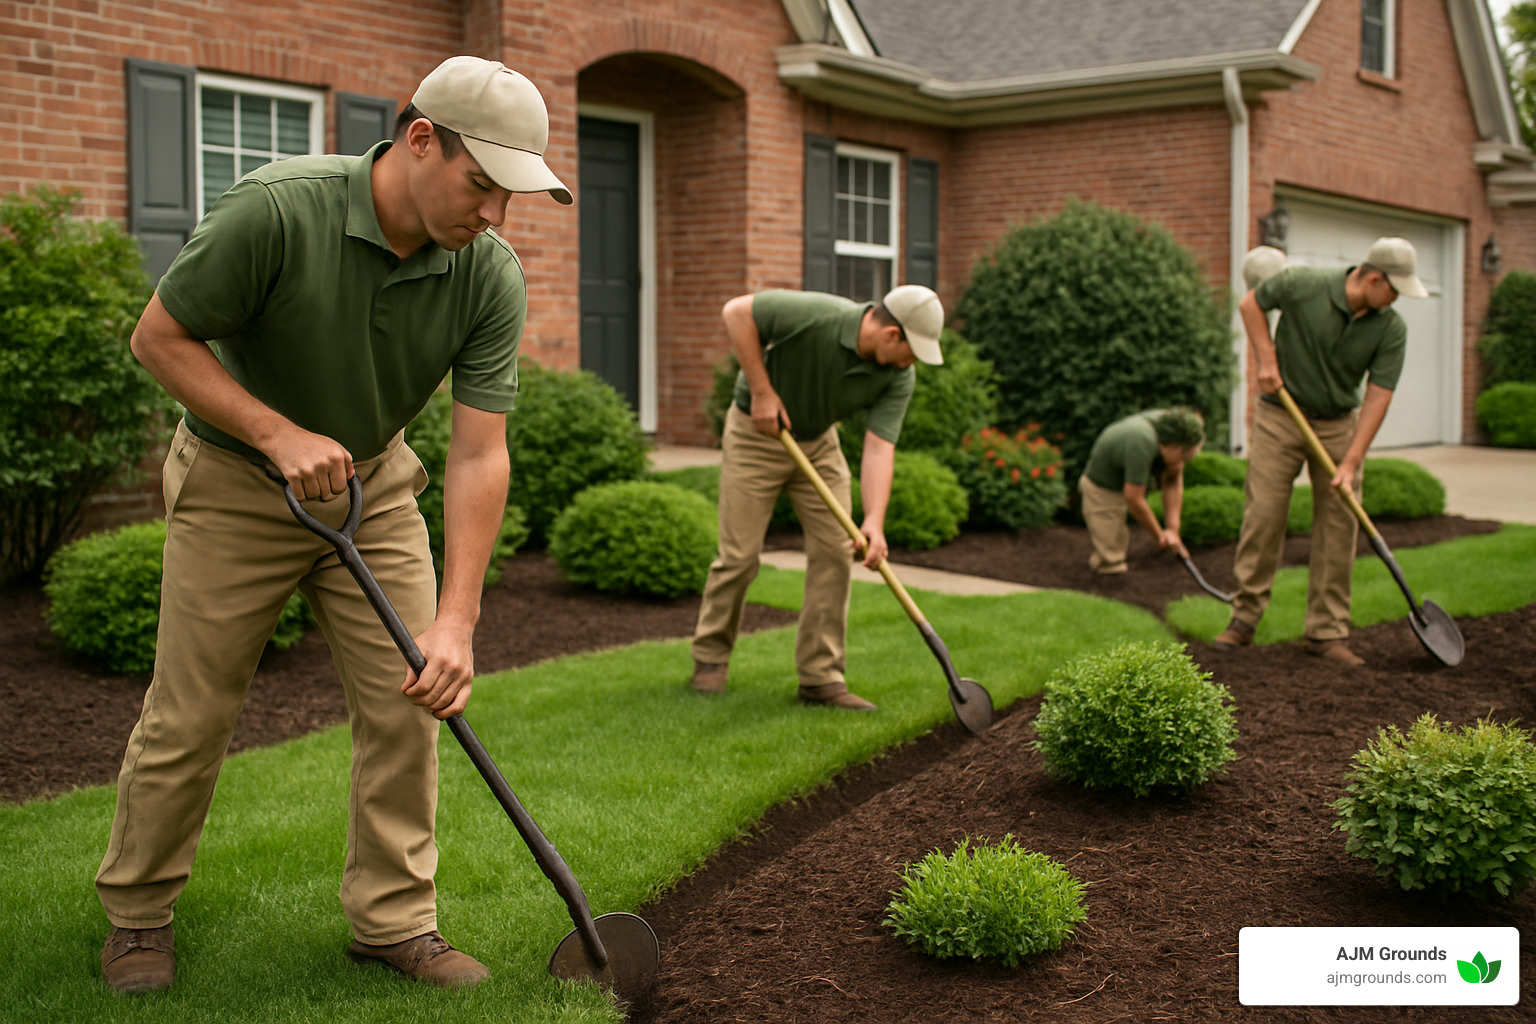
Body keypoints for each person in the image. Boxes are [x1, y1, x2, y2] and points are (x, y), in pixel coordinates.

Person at [95, 56, 572, 994]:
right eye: (482, 185)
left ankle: (394, 923)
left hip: (376, 486)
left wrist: (459, 623)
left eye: (510, 197)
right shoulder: (277, 210)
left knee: (413, 700)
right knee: (192, 712)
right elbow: (158, 338)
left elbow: (480, 454)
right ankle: (139, 916)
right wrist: (275, 432)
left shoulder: (486, 274)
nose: (494, 216)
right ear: (421, 139)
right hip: (238, 482)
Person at [689, 285, 944, 710]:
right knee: (739, 556)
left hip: (819, 444)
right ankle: (710, 659)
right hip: (757, 435)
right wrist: (762, 391)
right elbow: (736, 312)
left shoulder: (899, 376)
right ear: (891, 336)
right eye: (912, 350)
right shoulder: (817, 315)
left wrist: (874, 521)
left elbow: (880, 446)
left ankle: (820, 677)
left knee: (835, 550)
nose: (912, 362)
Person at [1214, 237, 1426, 666]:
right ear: (1371, 277)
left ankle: (1326, 632)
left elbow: (1378, 396)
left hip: (1337, 425)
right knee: (1265, 515)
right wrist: (1266, 359)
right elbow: (1251, 304)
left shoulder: (1390, 328)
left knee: (1339, 525)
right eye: (1394, 289)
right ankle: (1244, 619)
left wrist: (1351, 461)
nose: (1396, 299)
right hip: (1280, 417)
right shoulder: (1304, 283)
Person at [1078, 408, 1205, 575]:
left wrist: (1173, 530)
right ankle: (1108, 585)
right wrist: (1161, 537)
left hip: (1126, 473)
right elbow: (1134, 499)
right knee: (1111, 557)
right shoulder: (1140, 443)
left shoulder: (1174, 428)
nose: (1183, 463)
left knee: (1119, 539)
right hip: (1102, 487)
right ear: (1173, 446)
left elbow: (1172, 481)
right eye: (1184, 457)